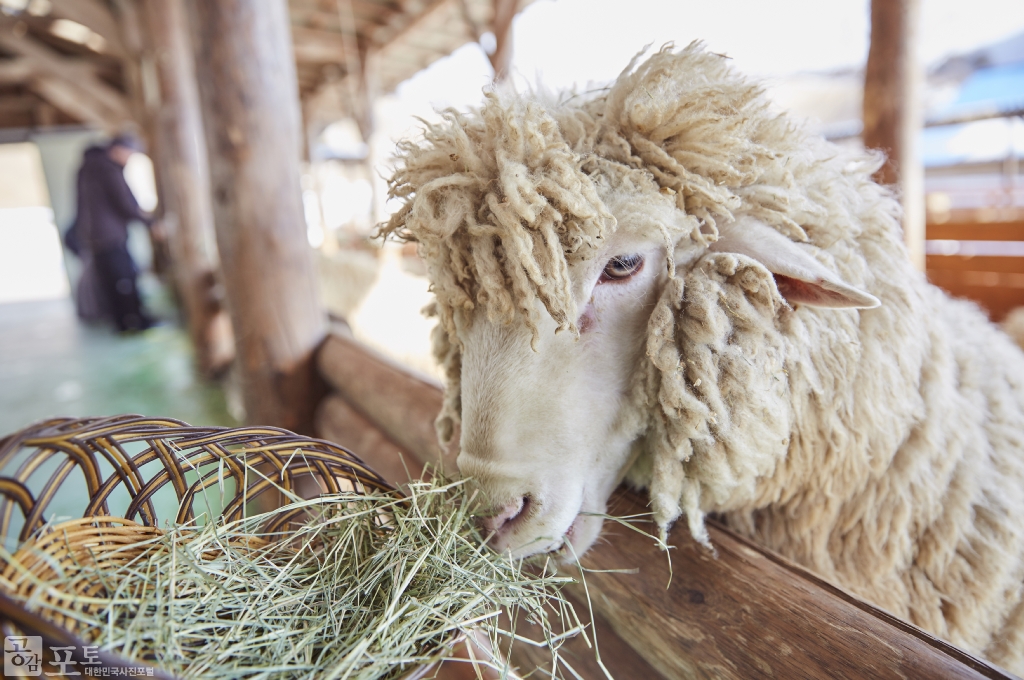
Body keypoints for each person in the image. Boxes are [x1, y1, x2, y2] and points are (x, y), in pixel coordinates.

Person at [71, 135, 158, 332]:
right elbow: (124, 202)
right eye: (130, 154)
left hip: (95, 235)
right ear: (119, 150)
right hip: (109, 236)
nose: (129, 159)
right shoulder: (107, 169)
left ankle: (123, 322)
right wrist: (150, 223)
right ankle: (134, 322)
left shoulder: (89, 168)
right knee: (124, 280)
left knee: (113, 282)